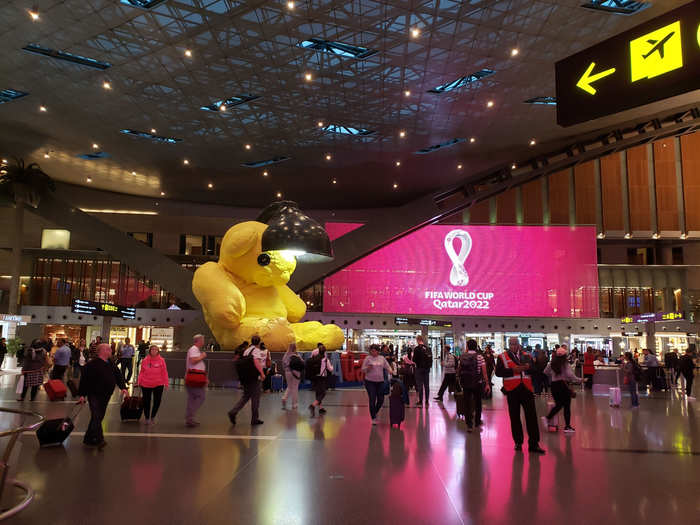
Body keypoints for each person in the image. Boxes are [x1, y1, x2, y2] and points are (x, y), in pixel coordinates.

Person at [495, 337, 545, 454]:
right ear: (508, 344)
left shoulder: (526, 355)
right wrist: (513, 371)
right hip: (512, 390)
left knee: (531, 417)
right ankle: (518, 442)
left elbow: (535, 370)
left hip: (526, 389)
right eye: (511, 344)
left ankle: (534, 444)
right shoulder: (502, 357)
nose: (513, 346)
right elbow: (498, 372)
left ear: (519, 344)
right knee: (515, 417)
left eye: (515, 344)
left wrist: (528, 368)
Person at [78, 343, 127, 448]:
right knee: (96, 416)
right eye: (108, 349)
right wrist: (82, 395)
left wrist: (123, 387)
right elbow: (84, 380)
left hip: (106, 394)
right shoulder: (92, 364)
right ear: (102, 351)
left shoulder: (111, 363)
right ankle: (99, 439)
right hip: (94, 394)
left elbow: (118, 375)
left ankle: (88, 438)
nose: (110, 351)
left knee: (99, 416)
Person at [229, 335, 265, 426]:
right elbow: (256, 362)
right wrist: (262, 373)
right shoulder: (256, 351)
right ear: (259, 342)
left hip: (245, 378)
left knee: (245, 396)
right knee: (255, 398)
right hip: (253, 377)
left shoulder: (247, 350)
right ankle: (254, 419)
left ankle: (234, 411)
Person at [543, 346, 581, 432]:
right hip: (563, 385)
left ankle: (547, 418)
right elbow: (570, 375)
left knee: (559, 404)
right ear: (565, 355)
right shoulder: (565, 363)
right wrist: (580, 380)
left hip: (554, 385)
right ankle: (567, 426)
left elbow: (545, 372)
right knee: (567, 406)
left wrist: (553, 375)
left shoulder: (551, 363)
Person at [458, 339, 490, 431]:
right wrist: (487, 383)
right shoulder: (480, 357)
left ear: (468, 346)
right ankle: (477, 422)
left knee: (467, 403)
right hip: (477, 383)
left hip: (466, 383)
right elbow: (484, 372)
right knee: (478, 403)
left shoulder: (462, 356)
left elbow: (459, 369)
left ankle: (469, 425)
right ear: (476, 346)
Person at [361, 344, 393, 424]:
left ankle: (375, 411)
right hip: (370, 382)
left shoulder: (382, 358)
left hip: (380, 382)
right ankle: (373, 417)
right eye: (371, 351)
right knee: (372, 399)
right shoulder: (368, 358)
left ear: (378, 351)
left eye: (375, 351)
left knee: (381, 400)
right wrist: (367, 368)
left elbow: (387, 366)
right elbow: (362, 369)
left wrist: (390, 370)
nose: (373, 352)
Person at [137, 344, 169, 425]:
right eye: (152, 349)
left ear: (158, 351)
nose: (154, 351)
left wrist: (166, 383)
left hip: (159, 384)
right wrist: (139, 381)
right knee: (146, 401)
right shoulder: (145, 360)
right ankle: (147, 417)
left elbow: (164, 372)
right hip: (146, 383)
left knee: (157, 401)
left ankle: (153, 416)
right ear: (150, 351)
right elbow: (142, 372)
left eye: (156, 349)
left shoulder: (161, 360)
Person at [185, 334, 207, 427]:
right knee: (200, 397)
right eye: (203, 340)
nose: (203, 342)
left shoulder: (194, 349)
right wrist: (202, 356)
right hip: (195, 378)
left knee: (192, 398)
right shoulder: (194, 349)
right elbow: (193, 361)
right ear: (199, 341)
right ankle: (190, 416)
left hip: (193, 377)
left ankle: (190, 418)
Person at [308, 344, 333, 417]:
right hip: (321, 378)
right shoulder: (325, 359)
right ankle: (312, 405)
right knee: (323, 393)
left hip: (315, 377)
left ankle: (320, 408)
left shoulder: (314, 358)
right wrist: (332, 367)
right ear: (325, 352)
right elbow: (330, 369)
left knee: (318, 393)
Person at [412, 336, 432, 408]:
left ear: (418, 340)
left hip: (419, 369)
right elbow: (430, 359)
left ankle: (420, 401)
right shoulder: (428, 348)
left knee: (420, 385)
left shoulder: (416, 349)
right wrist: (429, 366)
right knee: (426, 385)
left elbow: (414, 359)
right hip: (426, 369)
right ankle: (427, 400)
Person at [281, 343, 302, 410]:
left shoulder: (286, 355)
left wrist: (286, 370)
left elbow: (283, 364)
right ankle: (294, 404)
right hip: (296, 373)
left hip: (287, 372)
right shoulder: (297, 355)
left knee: (289, 386)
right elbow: (302, 363)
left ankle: (284, 398)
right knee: (295, 388)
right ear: (295, 348)